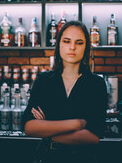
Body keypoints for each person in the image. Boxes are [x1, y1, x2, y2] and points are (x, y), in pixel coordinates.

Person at [22, 20, 107, 163]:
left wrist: (47, 131)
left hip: (83, 159)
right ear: (59, 44)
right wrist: (76, 124)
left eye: (79, 42)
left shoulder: (96, 84)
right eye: (67, 41)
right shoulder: (44, 80)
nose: (72, 47)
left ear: (86, 47)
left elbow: (92, 137)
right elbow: (29, 127)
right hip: (46, 157)